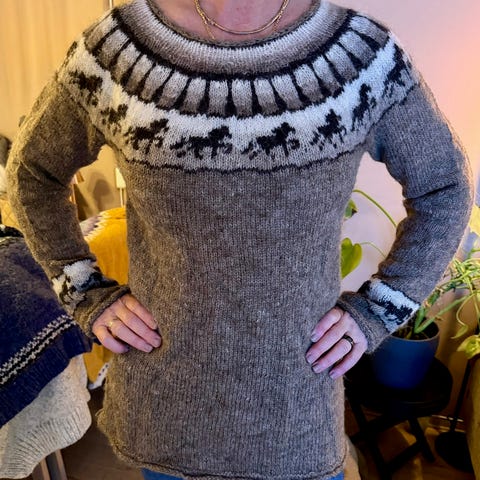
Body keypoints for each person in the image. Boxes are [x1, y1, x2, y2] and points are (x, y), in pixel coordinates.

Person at [6, 0, 473, 479]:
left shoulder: (360, 56)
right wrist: (85, 292)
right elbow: (32, 174)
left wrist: (378, 310)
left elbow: (445, 188)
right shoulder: (117, 51)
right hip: (167, 404)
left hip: (295, 410)